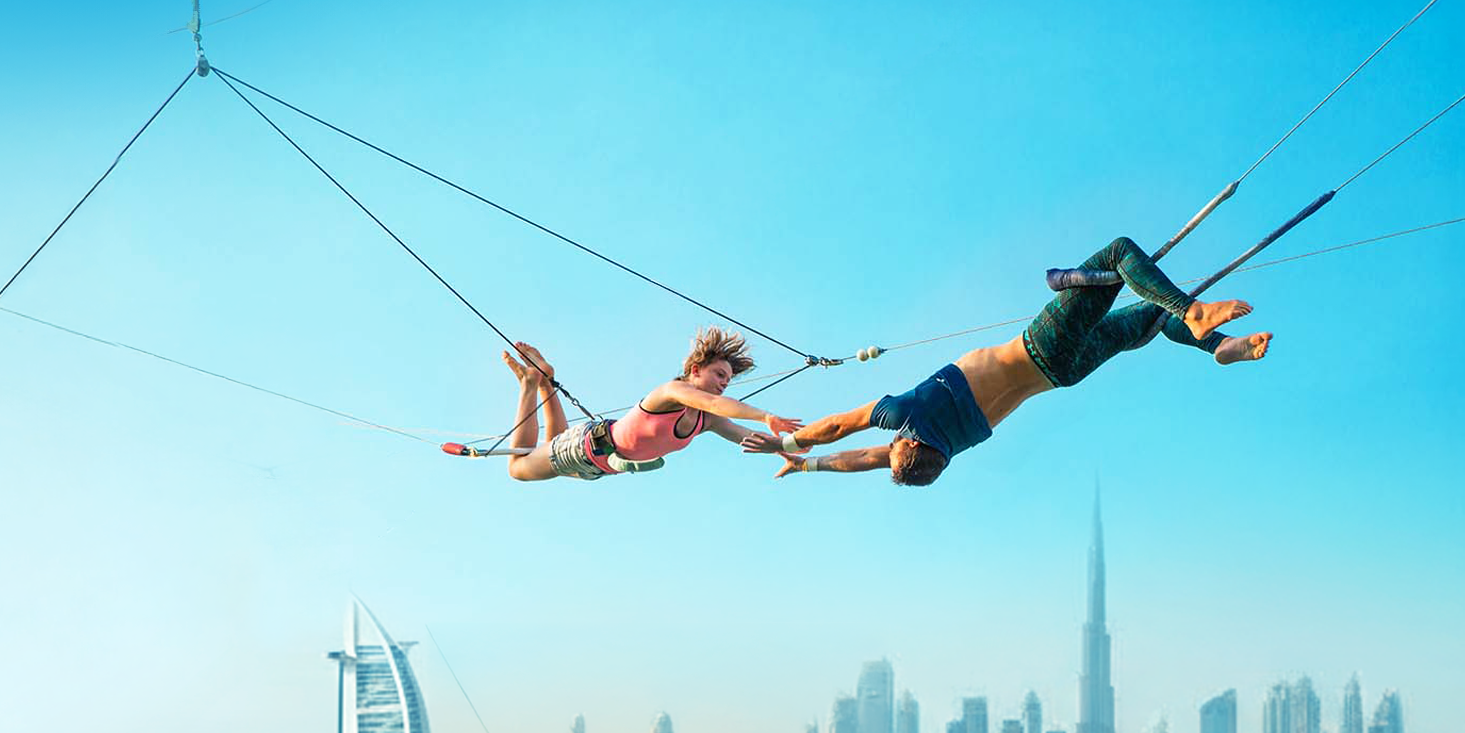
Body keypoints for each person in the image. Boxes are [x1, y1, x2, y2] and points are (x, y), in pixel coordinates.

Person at [747, 238, 1270, 486]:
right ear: (905, 441)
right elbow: (841, 428)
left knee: (1145, 322)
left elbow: (868, 460)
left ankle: (1217, 346)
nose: (887, 446)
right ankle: (1194, 312)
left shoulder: (949, 448)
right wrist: (789, 442)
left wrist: (806, 467)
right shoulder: (908, 414)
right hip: (1044, 345)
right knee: (1118, 255)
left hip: (1065, 373)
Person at [499, 327, 803, 483]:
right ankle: (530, 383)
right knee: (518, 468)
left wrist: (787, 450)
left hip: (600, 467)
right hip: (592, 448)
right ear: (696, 370)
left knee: (551, 445)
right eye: (719, 374)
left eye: (728, 379)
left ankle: (544, 382)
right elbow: (716, 402)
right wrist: (766, 416)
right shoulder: (671, 392)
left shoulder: (706, 420)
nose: (724, 382)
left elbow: (742, 435)